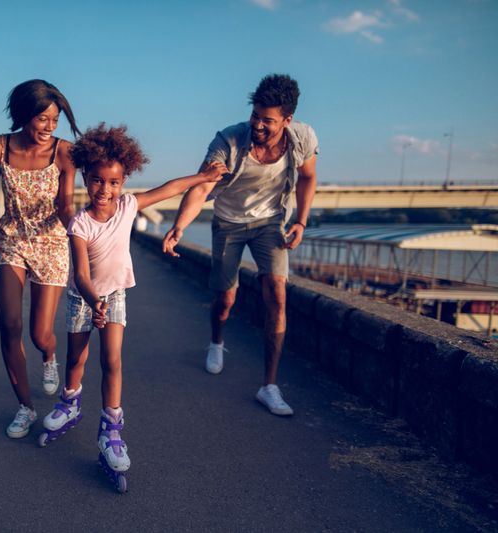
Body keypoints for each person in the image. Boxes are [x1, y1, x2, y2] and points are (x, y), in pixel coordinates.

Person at [38, 124, 228, 478]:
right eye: (97, 180)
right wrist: (93, 302)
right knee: (76, 358)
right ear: (85, 178)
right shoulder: (79, 224)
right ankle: (70, 402)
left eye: (113, 182)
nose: (104, 189)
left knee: (112, 360)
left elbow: (170, 188)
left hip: (115, 296)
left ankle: (111, 428)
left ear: (123, 181)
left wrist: (202, 177)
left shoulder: (128, 206)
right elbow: (81, 275)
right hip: (83, 298)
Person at [162, 74, 318, 416]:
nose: (258, 125)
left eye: (268, 120)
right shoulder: (228, 141)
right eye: (255, 116)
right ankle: (216, 341)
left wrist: (301, 221)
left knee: (277, 294)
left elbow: (307, 177)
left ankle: (269, 386)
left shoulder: (303, 137)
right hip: (229, 221)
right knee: (226, 298)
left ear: (287, 120)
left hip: (271, 222)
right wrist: (179, 226)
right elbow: (202, 187)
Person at [0, 79, 80, 438]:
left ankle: (49, 357)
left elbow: (66, 206)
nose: (49, 127)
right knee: (9, 324)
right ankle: (25, 407)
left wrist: (82, 240)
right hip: (12, 239)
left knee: (40, 335)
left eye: (55, 120)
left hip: (51, 242)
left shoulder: (64, 152)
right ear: (24, 114)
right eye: (42, 119)